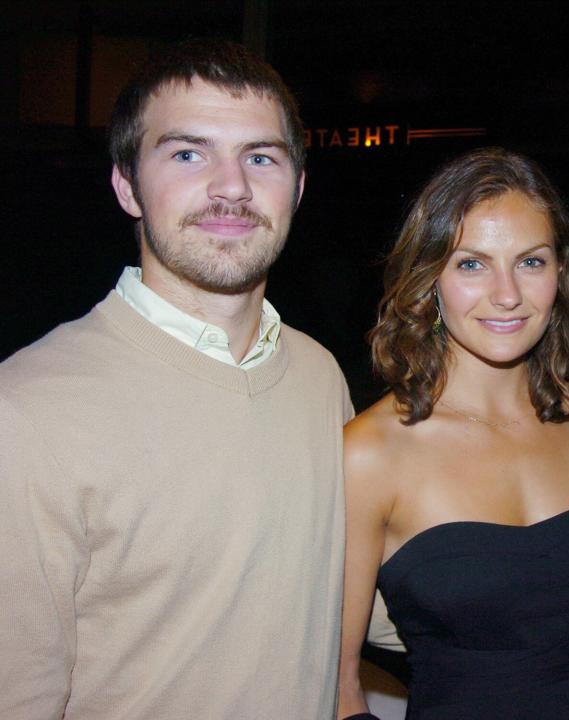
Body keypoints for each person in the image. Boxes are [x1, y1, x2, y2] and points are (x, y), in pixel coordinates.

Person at [0, 39, 352, 719]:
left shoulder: (317, 377)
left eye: (260, 157)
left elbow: (355, 601)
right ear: (127, 184)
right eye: (188, 154)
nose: (231, 187)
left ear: (298, 187)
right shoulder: (27, 410)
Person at [337, 147, 569, 719]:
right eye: (472, 264)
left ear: (562, 274)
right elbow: (340, 686)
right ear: (430, 280)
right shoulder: (371, 454)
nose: (507, 294)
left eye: (531, 261)